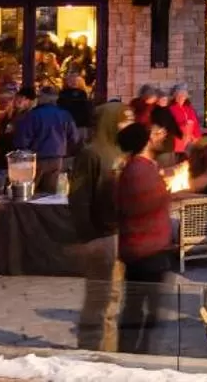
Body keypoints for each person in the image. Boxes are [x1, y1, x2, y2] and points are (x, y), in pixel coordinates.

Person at [68, 102, 126, 351]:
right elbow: (79, 198)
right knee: (101, 302)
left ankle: (107, 353)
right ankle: (94, 353)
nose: (127, 125)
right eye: (123, 121)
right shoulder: (92, 153)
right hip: (101, 237)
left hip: (118, 236)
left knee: (111, 301)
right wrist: (87, 237)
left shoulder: (120, 151)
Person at [114, 119, 175, 354]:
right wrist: (166, 193)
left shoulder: (140, 167)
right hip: (146, 249)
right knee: (142, 307)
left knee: (143, 307)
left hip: (147, 246)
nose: (158, 137)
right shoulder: (138, 170)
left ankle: (137, 352)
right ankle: (135, 354)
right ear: (144, 142)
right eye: (153, 134)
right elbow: (141, 205)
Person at [11, 86, 77, 193]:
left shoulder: (33, 115)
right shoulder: (64, 115)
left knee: (31, 192)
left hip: (36, 158)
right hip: (57, 158)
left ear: (42, 98)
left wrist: (22, 153)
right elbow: (74, 137)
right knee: (50, 193)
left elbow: (22, 140)